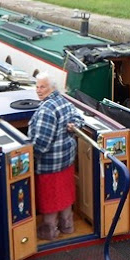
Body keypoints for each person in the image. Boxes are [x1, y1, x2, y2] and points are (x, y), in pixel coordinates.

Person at [28, 72, 84, 240]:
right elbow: (78, 119)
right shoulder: (64, 101)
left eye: (42, 86)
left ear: (52, 87)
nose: (38, 90)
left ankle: (49, 231)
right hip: (66, 160)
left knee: (50, 198)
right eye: (37, 86)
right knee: (64, 195)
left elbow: (41, 144)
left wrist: (29, 158)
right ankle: (68, 226)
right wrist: (73, 126)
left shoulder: (46, 110)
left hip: (50, 164)